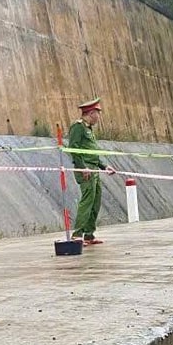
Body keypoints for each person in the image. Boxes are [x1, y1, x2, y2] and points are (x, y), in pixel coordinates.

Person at [67, 98, 115, 244]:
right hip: (86, 169)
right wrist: (82, 167)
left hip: (94, 168)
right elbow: (73, 148)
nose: (99, 117)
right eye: (97, 113)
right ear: (91, 113)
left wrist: (104, 166)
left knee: (96, 201)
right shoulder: (78, 127)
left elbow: (91, 153)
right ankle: (77, 234)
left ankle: (89, 234)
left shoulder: (88, 129)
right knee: (87, 201)